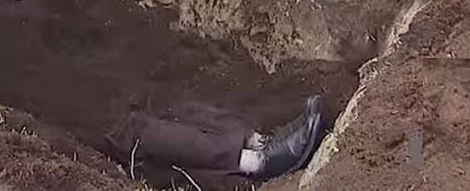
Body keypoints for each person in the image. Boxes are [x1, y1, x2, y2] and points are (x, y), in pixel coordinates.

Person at [104, 95, 325, 181]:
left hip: (115, 105)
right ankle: (256, 162)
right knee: (146, 132)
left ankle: (257, 142)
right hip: (113, 136)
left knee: (178, 108)